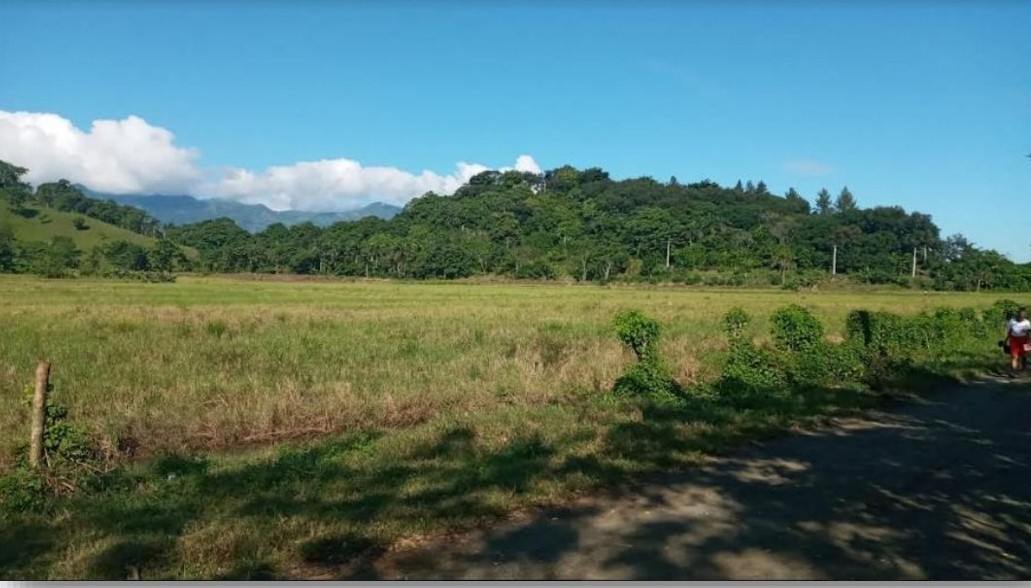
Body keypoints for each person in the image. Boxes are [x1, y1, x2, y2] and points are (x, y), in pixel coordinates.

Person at [1005, 307, 1030, 375]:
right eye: (1020, 317)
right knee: (1014, 356)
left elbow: (1028, 334)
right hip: (1014, 340)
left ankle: (1023, 367)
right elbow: (1010, 331)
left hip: (1024, 340)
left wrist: (1029, 344)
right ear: (1017, 315)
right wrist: (1006, 340)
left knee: (1024, 355)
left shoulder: (1027, 323)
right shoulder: (1012, 321)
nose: (1021, 318)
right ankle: (1013, 371)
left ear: (1025, 317)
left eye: (1023, 317)